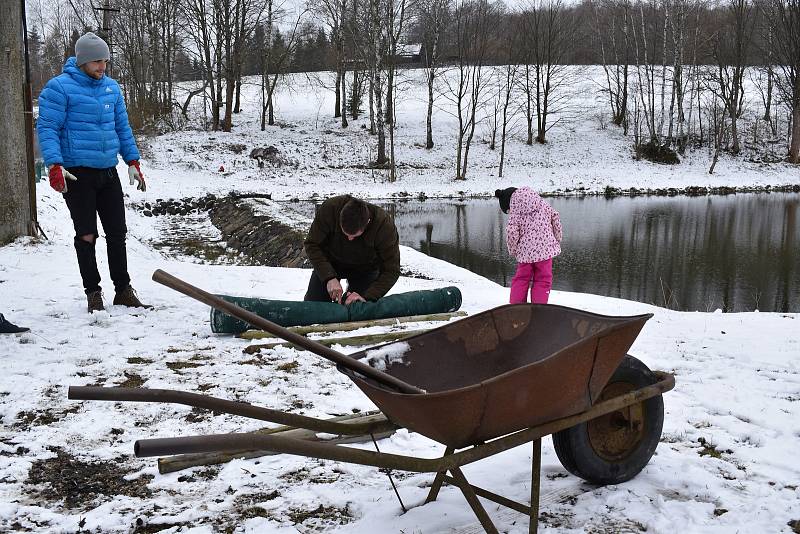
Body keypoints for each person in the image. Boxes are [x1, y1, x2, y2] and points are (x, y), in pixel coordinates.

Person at [37, 32, 150, 313]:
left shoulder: (112, 88)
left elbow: (122, 128)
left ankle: (123, 289)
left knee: (117, 232)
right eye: (97, 61)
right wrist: (54, 164)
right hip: (77, 174)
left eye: (105, 61)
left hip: (107, 170)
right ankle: (93, 292)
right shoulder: (59, 88)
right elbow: (48, 128)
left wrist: (133, 161)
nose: (103, 66)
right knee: (86, 234)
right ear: (83, 61)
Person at [304, 195, 401, 305]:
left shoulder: (384, 225)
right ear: (339, 217)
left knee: (359, 307)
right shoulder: (330, 209)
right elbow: (312, 244)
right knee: (314, 304)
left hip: (366, 269)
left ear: (367, 222)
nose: (350, 239)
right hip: (330, 262)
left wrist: (368, 296)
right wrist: (328, 277)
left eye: (354, 236)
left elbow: (391, 270)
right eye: (345, 233)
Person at [495, 187, 563, 304]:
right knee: (543, 279)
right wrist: (557, 237)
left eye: (507, 211)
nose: (509, 212)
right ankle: (538, 309)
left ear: (509, 203)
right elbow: (555, 217)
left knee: (521, 279)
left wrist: (513, 250)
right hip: (545, 250)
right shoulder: (540, 202)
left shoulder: (515, 211)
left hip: (525, 253)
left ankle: (517, 308)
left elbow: (512, 233)